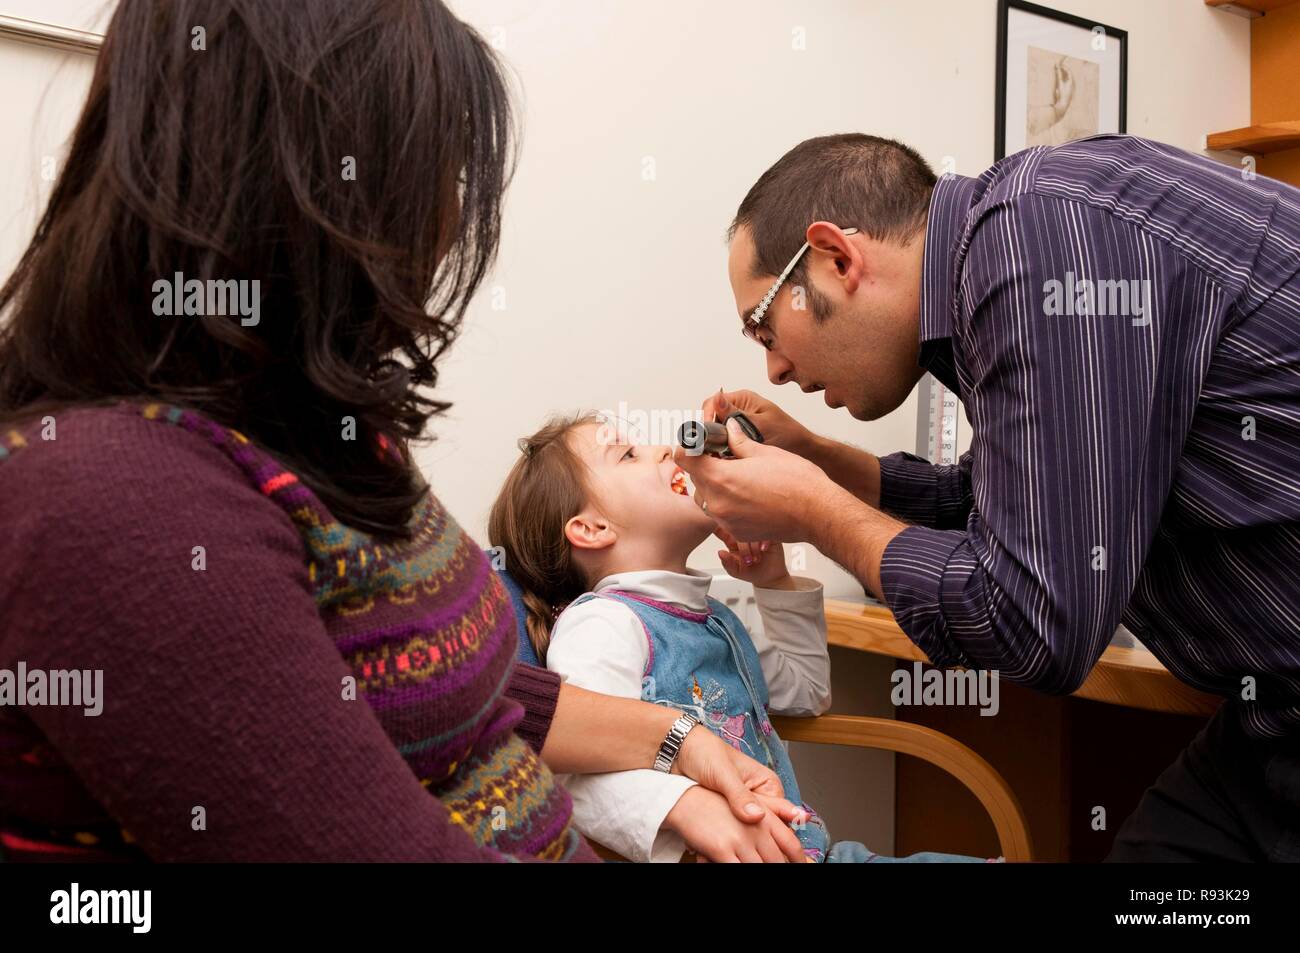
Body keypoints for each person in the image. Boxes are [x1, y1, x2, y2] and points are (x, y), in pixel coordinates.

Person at [0, 0, 794, 862]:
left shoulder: (320, 430)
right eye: (438, 172)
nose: (453, 219)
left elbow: (437, 686)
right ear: (306, 182)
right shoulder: (116, 502)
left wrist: (678, 740)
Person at [675, 132, 1300, 862]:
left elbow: (1033, 617)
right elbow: (994, 499)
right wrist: (818, 460)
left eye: (764, 325)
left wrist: (814, 509)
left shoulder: (1040, 244)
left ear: (836, 258)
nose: (775, 369)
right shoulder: (1012, 247)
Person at [489, 412, 995, 864]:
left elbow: (805, 691)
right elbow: (574, 777)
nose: (664, 449)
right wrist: (686, 810)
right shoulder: (604, 624)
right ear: (592, 528)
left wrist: (774, 583)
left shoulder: (713, 619)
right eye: (627, 454)